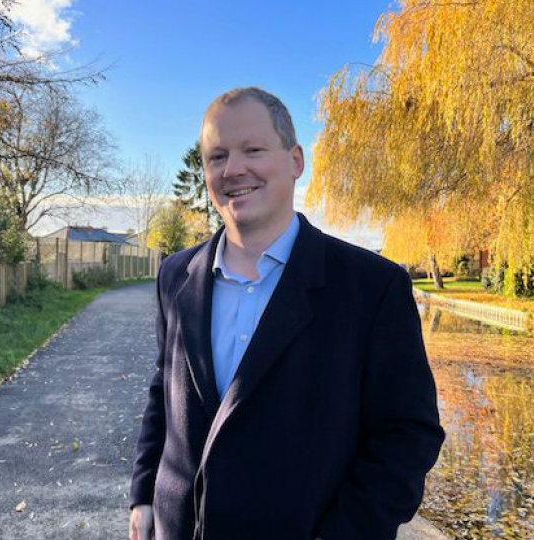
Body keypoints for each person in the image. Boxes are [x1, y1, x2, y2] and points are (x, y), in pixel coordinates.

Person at [129, 87, 444, 540]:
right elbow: (164, 391)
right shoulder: (175, 276)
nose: (233, 169)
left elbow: (407, 435)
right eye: (216, 156)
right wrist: (143, 493)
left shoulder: (372, 287)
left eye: (252, 149)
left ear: (296, 161)